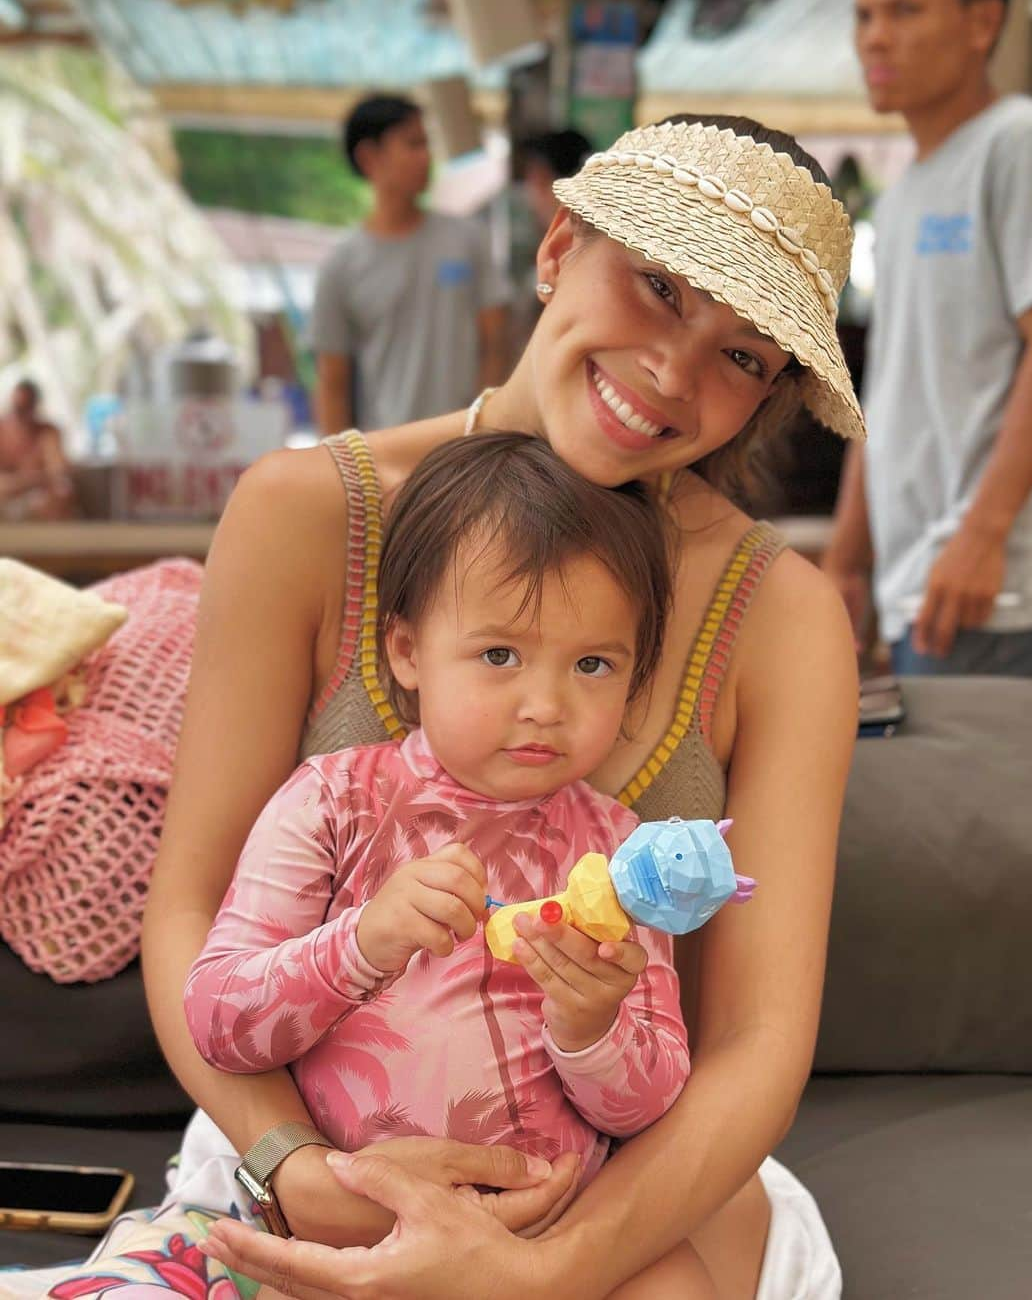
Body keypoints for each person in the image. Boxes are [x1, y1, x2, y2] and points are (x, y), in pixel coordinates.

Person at [16, 113, 864, 1300]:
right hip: (315, 1160)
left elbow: (757, 1046)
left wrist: (543, 1270)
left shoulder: (779, 618)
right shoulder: (308, 514)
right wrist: (296, 1166)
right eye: (659, 287)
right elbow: (194, 911)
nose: (676, 370)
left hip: (627, 1196)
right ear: (559, 246)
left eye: (742, 355)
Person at [185, 431, 712, 1293]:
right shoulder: (334, 803)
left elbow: (650, 1103)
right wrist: (361, 945)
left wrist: (592, 1029)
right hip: (349, 1236)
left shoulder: (621, 852)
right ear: (406, 652)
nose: (545, 705)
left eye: (592, 664)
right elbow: (218, 1020)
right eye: (499, 655)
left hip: (546, 1243)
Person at [824, 0, 1032, 677]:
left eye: (905, 11)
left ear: (983, 23)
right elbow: (892, 392)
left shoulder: (1023, 143)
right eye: (864, 15)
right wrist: (848, 558)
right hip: (918, 582)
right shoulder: (905, 194)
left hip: (1000, 584)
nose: (874, 37)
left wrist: (984, 533)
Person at [310, 93, 509, 436]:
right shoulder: (340, 267)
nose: (427, 157)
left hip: (463, 453)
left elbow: (496, 342)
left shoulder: (467, 240)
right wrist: (341, 472)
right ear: (369, 157)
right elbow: (332, 384)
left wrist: (483, 438)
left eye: (427, 143)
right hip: (386, 457)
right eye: (413, 144)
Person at [0, 378, 74, 520]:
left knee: (63, 492)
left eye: (25, 407)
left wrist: (22, 481)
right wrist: (31, 479)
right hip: (6, 496)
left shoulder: (47, 432)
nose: (19, 414)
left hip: (37, 498)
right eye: (16, 407)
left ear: (35, 407)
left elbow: (59, 472)